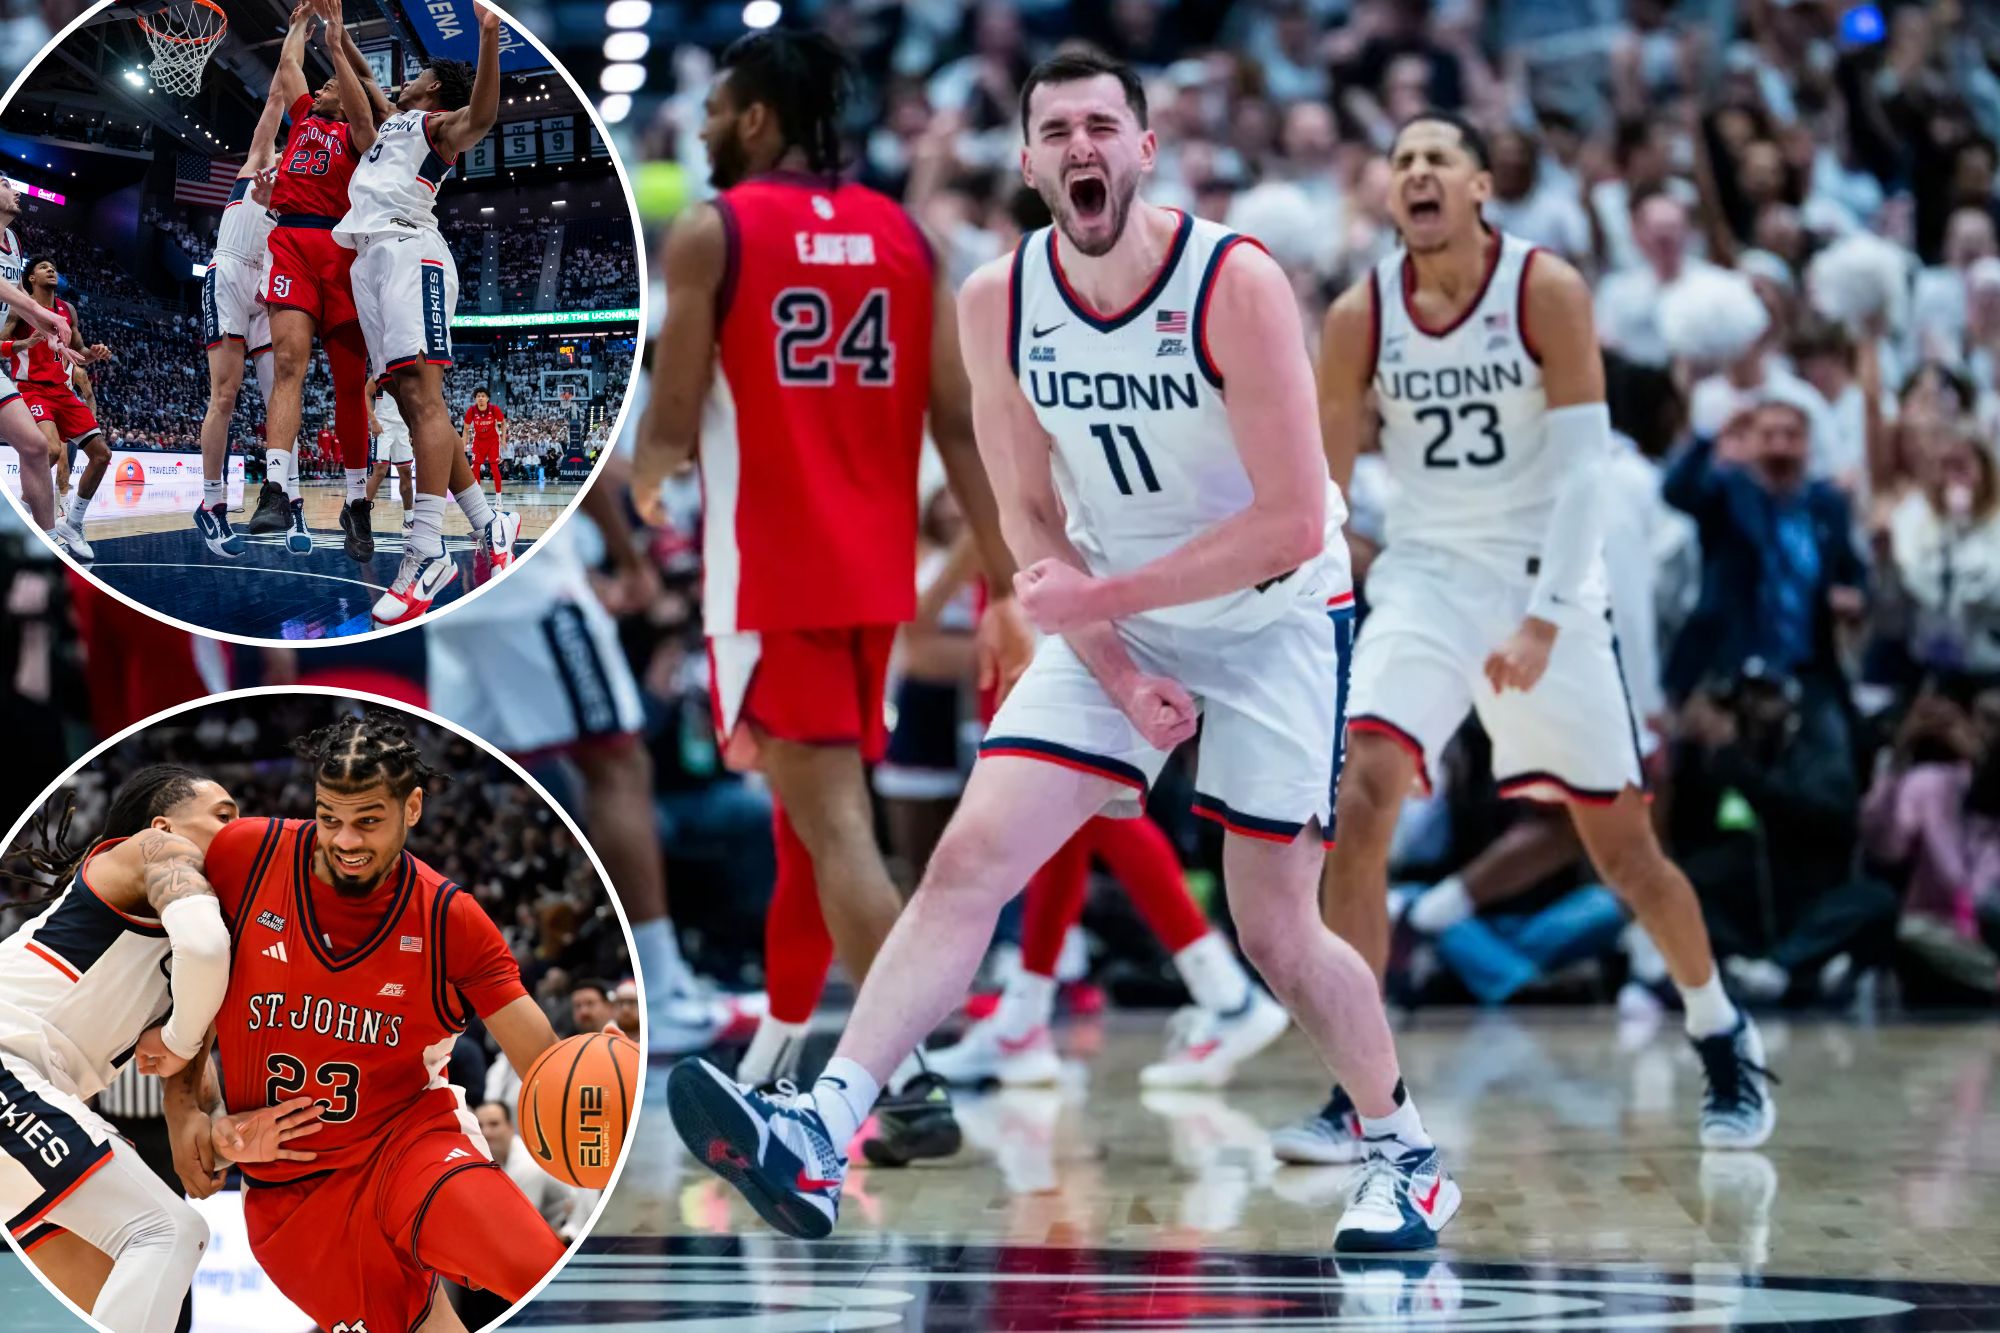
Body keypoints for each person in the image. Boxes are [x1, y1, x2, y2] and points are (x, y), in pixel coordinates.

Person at [666, 50, 1456, 1253]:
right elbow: (1028, 515)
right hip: (1116, 614)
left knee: (1277, 933)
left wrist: (1109, 594)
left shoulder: (1232, 280)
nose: (1080, 146)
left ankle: (1402, 1153)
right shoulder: (994, 297)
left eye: (1103, 125)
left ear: (1144, 150)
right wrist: (1113, 656)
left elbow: (1295, 517)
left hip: (1276, 616)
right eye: (1056, 131)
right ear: (1029, 163)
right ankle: (822, 1131)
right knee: (967, 859)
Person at [1277, 112, 1775, 1166]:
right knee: (1361, 794)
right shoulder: (1359, 313)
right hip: (1423, 576)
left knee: (1625, 855)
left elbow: (1587, 472)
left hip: (1545, 577)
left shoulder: (1543, 289)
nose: (1414, 172)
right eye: (1400, 160)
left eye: (1434, 159)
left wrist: (1549, 617)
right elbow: (1321, 484)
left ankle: (1719, 1030)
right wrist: (1308, 589)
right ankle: (1358, 1088)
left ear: (1478, 188)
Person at [632, 28, 1031, 1156]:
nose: (704, 128)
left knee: (837, 834)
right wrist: (1007, 576)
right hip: (871, 582)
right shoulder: (904, 233)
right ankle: (777, 1057)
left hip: (771, 575)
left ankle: (904, 1083)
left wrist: (650, 495)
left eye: (717, 108)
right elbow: (958, 422)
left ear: (757, 117)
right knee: (813, 837)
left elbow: (665, 427)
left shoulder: (717, 231)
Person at [162, 712, 569, 1333]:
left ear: (413, 808)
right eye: (330, 819)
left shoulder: (449, 919)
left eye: (368, 821)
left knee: (539, 1270)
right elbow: (182, 967)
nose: (345, 841)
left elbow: (544, 1066)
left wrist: (593, 1081)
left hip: (409, 1146)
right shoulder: (248, 854)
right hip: (292, 1195)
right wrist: (183, 1105)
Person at [425, 453, 731, 1055]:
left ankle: (431, 997)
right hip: (526, 586)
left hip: (449, 594)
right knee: (617, 763)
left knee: (452, 778)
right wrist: (631, 557)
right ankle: (659, 993)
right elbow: (598, 475)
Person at [0, 767, 318, 1333]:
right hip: (8, 1062)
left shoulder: (210, 943)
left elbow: (193, 1109)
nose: (241, 828)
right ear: (164, 822)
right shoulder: (155, 849)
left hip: (32, 1103)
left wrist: (223, 1133)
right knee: (168, 1232)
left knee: (131, 1303)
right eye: (224, 815)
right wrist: (177, 1040)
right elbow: (201, 946)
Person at [320, 0, 517, 623]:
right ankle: (490, 521)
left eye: (413, 78)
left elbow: (481, 116)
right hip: (370, 259)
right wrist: (335, 32)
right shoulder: (394, 122)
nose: (397, 84)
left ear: (430, 86)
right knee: (411, 399)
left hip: (411, 250)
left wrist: (488, 37)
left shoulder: (435, 127)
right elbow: (364, 87)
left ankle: (426, 550)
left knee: (423, 399)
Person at [245, 1, 382, 561]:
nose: (322, 88)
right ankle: (275, 488)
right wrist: (301, 20)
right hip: (292, 243)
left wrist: (338, 39)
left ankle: (357, 502)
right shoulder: (303, 117)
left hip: (342, 250)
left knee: (350, 386)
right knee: (288, 365)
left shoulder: (357, 134)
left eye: (332, 86)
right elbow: (287, 70)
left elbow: (367, 116)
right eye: (322, 85)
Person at [193, 19, 293, 560]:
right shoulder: (259, 160)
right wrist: (297, 30)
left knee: (282, 391)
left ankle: (288, 495)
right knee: (225, 396)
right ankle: (211, 503)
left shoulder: (301, 189)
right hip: (230, 273)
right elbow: (278, 92)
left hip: (266, 288)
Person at [1, 258, 112, 561]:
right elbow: (1, 341)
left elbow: (80, 353)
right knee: (49, 450)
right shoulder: (19, 306)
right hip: (32, 389)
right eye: (43, 267)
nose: (51, 270)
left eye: (53, 267)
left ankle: (73, 524)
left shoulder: (68, 310)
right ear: (31, 278)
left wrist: (95, 353)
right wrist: (25, 342)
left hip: (63, 392)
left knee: (102, 455)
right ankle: (21, 516)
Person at [0, 180, 70, 529]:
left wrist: (45, 333)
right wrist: (47, 314)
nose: (15, 191)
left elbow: (13, 294)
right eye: (3, 184)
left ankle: (50, 539)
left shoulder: (12, 241)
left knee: (37, 447)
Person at [365, 379, 415, 530]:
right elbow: (366, 394)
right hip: (382, 425)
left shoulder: (407, 372)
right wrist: (373, 420)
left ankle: (409, 518)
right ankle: (362, 514)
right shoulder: (380, 371)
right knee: (379, 470)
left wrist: (412, 427)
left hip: (402, 427)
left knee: (406, 473)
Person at [462, 386, 506, 494]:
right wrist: (464, 444)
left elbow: (503, 423)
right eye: (478, 396)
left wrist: (503, 439)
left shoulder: (494, 409)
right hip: (478, 441)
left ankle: (498, 497)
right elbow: (466, 429)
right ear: (475, 398)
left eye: (483, 396)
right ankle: (478, 496)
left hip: (492, 441)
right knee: (476, 467)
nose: (480, 398)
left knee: (494, 467)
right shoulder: (471, 411)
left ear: (487, 398)